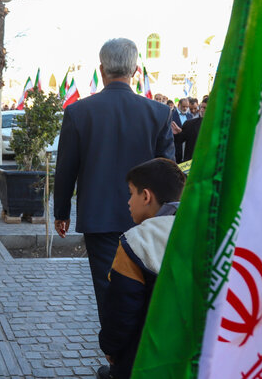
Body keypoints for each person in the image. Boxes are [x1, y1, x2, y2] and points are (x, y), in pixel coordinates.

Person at [54, 38, 175, 348]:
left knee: (109, 291)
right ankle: (140, 357)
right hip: (150, 219)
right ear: (135, 70)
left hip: (100, 219)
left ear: (101, 69)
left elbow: (66, 167)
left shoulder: (79, 112)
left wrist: (62, 213)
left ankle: (117, 357)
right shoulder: (159, 113)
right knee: (151, 290)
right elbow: (169, 174)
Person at [97, 158, 186, 379]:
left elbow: (121, 310)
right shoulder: (206, 229)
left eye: (131, 193)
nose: (128, 202)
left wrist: (111, 348)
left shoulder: (136, 242)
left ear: (146, 196)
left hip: (143, 359)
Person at [173, 96, 208, 162]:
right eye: (201, 107)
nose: (202, 110)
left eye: (205, 108)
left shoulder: (221, 126)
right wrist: (177, 134)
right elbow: (179, 140)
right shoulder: (190, 124)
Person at [171, 97, 192, 163]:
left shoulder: (190, 116)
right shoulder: (171, 115)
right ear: (178, 105)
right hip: (175, 146)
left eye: (187, 107)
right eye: (183, 106)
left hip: (187, 146)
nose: (185, 108)